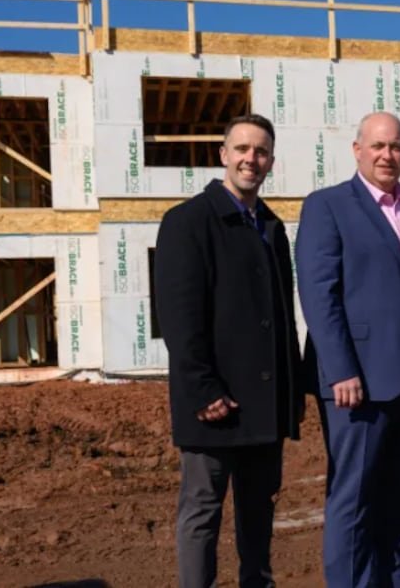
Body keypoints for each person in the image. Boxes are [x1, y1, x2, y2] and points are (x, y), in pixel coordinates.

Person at [295, 112, 400, 587]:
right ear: (357, 150)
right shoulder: (328, 205)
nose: (387, 155)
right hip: (356, 381)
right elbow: (319, 293)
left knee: (398, 496)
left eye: (396, 146)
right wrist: (340, 368)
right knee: (354, 499)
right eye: (377, 146)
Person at [153, 113, 303, 588]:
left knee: (259, 511)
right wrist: (201, 389)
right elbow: (178, 318)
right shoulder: (188, 222)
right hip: (214, 406)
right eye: (241, 149)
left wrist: (290, 392)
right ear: (223, 154)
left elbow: (280, 318)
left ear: (271, 161)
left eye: (260, 152)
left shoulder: (271, 227)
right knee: (202, 510)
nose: (250, 159)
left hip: (264, 405)